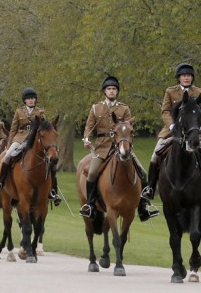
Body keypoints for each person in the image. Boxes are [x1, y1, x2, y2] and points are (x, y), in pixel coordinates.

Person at [80, 76, 157, 221]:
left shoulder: (124, 108)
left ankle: (143, 207)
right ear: (104, 91)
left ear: (117, 92)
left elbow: (128, 127)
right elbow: (89, 126)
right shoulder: (96, 108)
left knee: (143, 173)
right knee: (91, 174)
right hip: (102, 146)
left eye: (114, 89)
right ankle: (90, 206)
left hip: (121, 145)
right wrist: (86, 139)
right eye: (109, 89)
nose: (111, 91)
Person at [142, 63, 201, 203]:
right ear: (179, 78)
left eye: (189, 76)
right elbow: (165, 111)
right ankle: (150, 187)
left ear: (192, 78)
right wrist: (172, 125)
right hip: (172, 132)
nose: (186, 78)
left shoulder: (199, 92)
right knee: (155, 155)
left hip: (194, 132)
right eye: (184, 76)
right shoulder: (170, 92)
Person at [0, 88, 50, 196]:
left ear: (35, 99)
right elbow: (13, 129)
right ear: (25, 100)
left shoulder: (40, 112)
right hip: (20, 138)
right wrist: (9, 145)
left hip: (34, 139)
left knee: (48, 159)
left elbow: (43, 128)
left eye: (32, 98)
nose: (31, 100)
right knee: (8, 156)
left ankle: (51, 189)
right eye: (28, 99)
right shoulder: (19, 111)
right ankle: (0, 182)